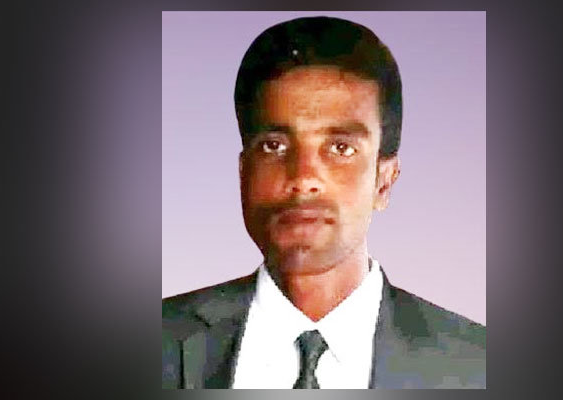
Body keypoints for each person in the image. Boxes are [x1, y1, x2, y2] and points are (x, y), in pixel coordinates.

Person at [162, 16, 486, 389]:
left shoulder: (480, 366)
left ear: (383, 181)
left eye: (340, 148)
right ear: (243, 172)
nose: (303, 179)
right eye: (274, 146)